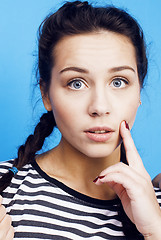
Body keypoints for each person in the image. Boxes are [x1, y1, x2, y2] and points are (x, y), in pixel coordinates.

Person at [0, 1, 161, 239]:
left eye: (118, 82)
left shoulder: (156, 207)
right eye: (77, 83)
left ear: (139, 92)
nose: (99, 107)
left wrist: (155, 230)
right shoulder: (5, 191)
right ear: (46, 94)